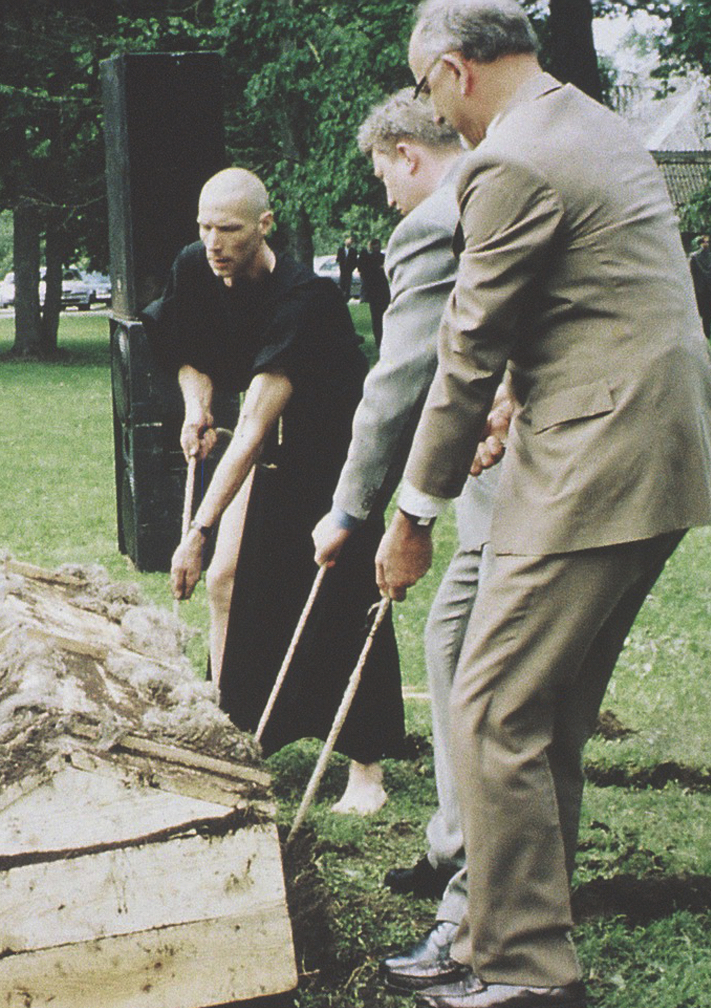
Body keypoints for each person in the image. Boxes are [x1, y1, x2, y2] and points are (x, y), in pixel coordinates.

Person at [374, 0, 711, 1008]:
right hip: (655, 445)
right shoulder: (593, 120)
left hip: (600, 457)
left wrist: (412, 512)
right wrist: (517, 398)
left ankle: (528, 962)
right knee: (544, 709)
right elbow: (595, 297)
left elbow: (467, 345)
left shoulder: (510, 161)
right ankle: (501, 933)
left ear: (454, 72)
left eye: (429, 90)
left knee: (491, 703)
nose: (438, 113)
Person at [146, 168, 404, 813]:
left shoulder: (306, 298)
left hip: (333, 457)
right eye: (204, 227)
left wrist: (197, 532)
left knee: (342, 596)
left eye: (228, 229)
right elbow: (185, 344)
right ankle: (233, 733)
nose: (213, 243)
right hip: (267, 453)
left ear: (264, 225)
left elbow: (256, 424)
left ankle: (365, 769)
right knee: (224, 582)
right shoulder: (195, 266)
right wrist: (195, 405)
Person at [312, 91, 499, 935]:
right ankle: (455, 844)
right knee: (454, 644)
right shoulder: (504, 180)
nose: (384, 191)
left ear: (406, 153)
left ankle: (477, 869)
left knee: (468, 654)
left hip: (533, 462)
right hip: (514, 448)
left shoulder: (436, 217)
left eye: (383, 171)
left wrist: (352, 506)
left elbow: (399, 381)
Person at [358, 238, 392, 348]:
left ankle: (379, 340)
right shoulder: (383, 258)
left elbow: (361, 269)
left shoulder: (367, 259)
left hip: (374, 292)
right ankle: (383, 339)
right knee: (383, 316)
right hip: (382, 291)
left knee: (376, 318)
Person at [689, 234, 711, 337]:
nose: (706, 244)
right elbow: (691, 274)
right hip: (698, 289)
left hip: (709, 290)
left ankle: (707, 333)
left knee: (708, 314)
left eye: (708, 242)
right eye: (704, 242)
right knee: (698, 312)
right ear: (700, 243)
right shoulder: (694, 257)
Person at [336, 233, 360, 299]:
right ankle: (341, 296)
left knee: (348, 284)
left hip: (349, 270)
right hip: (342, 270)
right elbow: (338, 259)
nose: (349, 243)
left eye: (350, 242)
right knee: (342, 284)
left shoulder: (353, 251)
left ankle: (347, 296)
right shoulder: (341, 250)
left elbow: (355, 261)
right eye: (348, 242)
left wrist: (351, 268)